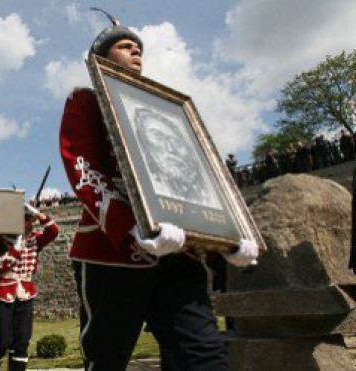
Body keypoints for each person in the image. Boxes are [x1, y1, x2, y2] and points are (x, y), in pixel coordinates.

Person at [59, 11, 259, 370]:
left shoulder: (168, 112)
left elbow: (197, 177)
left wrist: (228, 234)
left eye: (139, 48)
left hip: (179, 251)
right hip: (114, 252)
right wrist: (129, 225)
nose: (136, 51)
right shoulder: (85, 100)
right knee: (106, 359)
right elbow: (83, 166)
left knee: (204, 356)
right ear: (102, 58)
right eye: (124, 46)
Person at [0, 204, 59, 371]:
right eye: (25, 219)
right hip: (2, 291)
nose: (30, 223)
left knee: (22, 342)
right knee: (2, 342)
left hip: (25, 292)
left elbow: (53, 231)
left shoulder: (35, 238)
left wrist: (38, 213)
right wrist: (15, 246)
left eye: (31, 219)